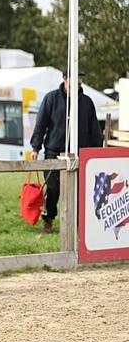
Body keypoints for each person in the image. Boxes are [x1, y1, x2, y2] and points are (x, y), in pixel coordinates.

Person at [30, 70, 103, 232]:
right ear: (65, 79)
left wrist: (98, 152)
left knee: (78, 190)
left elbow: (94, 129)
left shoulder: (86, 102)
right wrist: (35, 147)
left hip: (80, 152)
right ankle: (48, 219)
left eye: (80, 79)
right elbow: (41, 124)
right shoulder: (51, 98)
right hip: (53, 151)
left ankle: (77, 223)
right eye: (75, 79)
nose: (78, 82)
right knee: (53, 188)